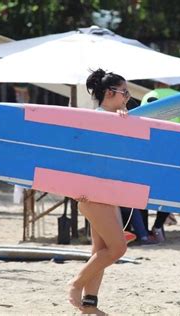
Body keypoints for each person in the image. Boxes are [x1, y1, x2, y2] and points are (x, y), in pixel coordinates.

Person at [68, 69, 130, 314]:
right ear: (110, 92)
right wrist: (76, 188)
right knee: (118, 248)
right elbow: (80, 157)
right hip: (93, 194)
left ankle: (89, 305)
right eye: (124, 92)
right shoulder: (95, 119)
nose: (128, 97)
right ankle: (75, 284)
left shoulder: (116, 118)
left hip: (107, 194)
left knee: (100, 251)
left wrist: (124, 124)